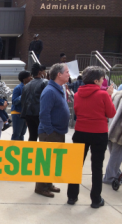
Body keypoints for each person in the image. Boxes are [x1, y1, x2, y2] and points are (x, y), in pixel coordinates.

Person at [67, 67, 115, 208]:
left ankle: (72, 196)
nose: (102, 82)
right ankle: (95, 199)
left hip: (81, 131)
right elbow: (111, 113)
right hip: (99, 133)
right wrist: (110, 95)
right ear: (96, 80)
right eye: (101, 80)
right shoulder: (103, 95)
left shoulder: (77, 94)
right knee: (97, 167)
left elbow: (76, 111)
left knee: (76, 165)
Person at [35, 63, 71, 198]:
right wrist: (50, 131)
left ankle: (48, 183)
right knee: (46, 161)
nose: (69, 74)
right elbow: (44, 113)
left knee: (53, 161)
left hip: (58, 131)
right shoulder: (50, 91)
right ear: (59, 74)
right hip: (50, 132)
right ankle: (41, 187)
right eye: (67, 72)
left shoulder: (59, 89)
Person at [20, 63, 48, 142]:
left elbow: (23, 101)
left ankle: (31, 153)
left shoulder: (26, 85)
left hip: (28, 114)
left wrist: (25, 116)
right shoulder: (45, 82)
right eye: (44, 71)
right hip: (40, 113)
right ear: (40, 72)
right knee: (43, 136)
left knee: (32, 136)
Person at [104, 90, 122, 185]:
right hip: (119, 131)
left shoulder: (117, 94)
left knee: (114, 154)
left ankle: (114, 174)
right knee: (116, 155)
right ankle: (110, 177)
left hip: (111, 128)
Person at [11, 71, 32, 141]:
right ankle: (12, 149)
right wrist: (23, 95)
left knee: (22, 134)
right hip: (17, 113)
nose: (31, 78)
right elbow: (14, 101)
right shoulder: (18, 88)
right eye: (29, 76)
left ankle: (20, 150)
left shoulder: (30, 87)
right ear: (24, 79)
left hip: (25, 114)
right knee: (16, 134)